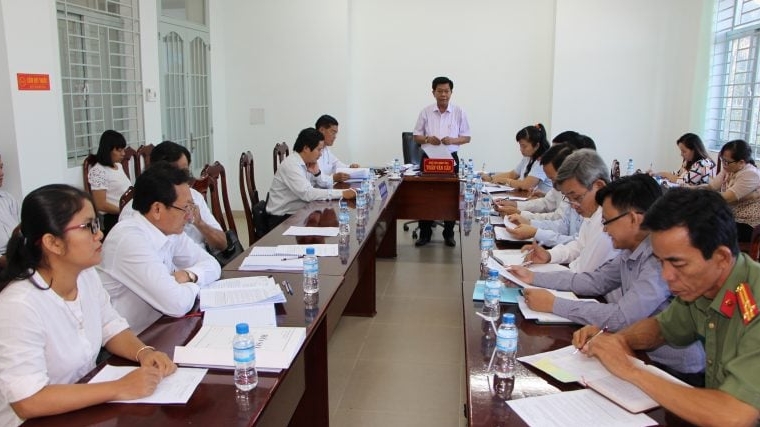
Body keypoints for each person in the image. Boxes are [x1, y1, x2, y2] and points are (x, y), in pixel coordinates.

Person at [575, 188, 760, 426]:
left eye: (678, 264)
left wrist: (631, 370)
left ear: (722, 258)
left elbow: (733, 415)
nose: (666, 276)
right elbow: (661, 328)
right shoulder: (701, 286)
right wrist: (616, 340)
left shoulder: (752, 301)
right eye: (661, 262)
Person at [0, 184, 176, 426]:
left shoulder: (85, 276)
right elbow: (28, 400)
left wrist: (145, 353)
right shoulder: (19, 306)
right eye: (88, 227)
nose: (100, 234)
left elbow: (110, 325)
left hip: (82, 408)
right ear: (53, 243)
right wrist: (119, 387)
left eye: (97, 224)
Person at [511, 175, 705, 384]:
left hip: (675, 371)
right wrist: (533, 277)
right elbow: (594, 281)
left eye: (607, 221)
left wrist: (553, 304)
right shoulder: (631, 251)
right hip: (638, 354)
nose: (604, 229)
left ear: (634, 219)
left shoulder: (659, 260)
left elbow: (621, 317)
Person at [99, 163, 221, 333]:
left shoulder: (169, 230)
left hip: (161, 326)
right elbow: (177, 304)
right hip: (132, 340)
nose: (189, 216)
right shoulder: (129, 239)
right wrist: (194, 284)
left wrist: (189, 275)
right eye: (185, 208)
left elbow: (213, 265)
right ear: (157, 209)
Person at [518, 149, 618, 273]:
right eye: (568, 199)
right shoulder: (593, 213)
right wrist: (549, 255)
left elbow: (582, 272)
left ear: (599, 186)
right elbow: (579, 245)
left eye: (577, 198)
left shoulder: (607, 222)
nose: (573, 206)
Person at [120, 140, 227, 251]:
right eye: (177, 173)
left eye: (185, 173)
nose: (183, 179)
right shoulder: (135, 212)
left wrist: (199, 223)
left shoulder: (194, 197)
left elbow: (222, 244)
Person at [412, 76, 471, 247]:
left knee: (451, 196)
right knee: (425, 195)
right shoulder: (425, 112)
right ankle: (425, 234)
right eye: (440, 91)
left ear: (451, 92)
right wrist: (428, 139)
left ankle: (449, 234)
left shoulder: (459, 112)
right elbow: (416, 136)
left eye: (446, 91)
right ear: (433, 93)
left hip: (450, 158)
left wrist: (452, 140)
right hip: (429, 158)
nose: (443, 94)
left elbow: (467, 137)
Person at [266, 128, 357, 230]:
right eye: (318, 149)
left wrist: (317, 174)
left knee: (330, 222)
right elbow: (308, 193)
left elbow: (323, 185)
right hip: (281, 219)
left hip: (299, 212)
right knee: (331, 225)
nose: (320, 154)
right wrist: (343, 193)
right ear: (306, 148)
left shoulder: (308, 162)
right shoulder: (291, 165)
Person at [503, 144, 584, 248]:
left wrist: (533, 229)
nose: (553, 184)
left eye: (553, 178)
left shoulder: (589, 201)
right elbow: (563, 225)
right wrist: (529, 222)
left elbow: (579, 244)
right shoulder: (568, 191)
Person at [704, 139, 760, 241]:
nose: (723, 164)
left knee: (705, 228)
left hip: (747, 224)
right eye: (722, 160)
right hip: (731, 216)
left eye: (726, 161)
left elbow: (726, 198)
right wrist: (690, 189)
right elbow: (711, 187)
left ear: (741, 162)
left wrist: (698, 196)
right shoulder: (729, 168)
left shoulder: (750, 174)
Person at [481, 124, 552, 194]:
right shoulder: (528, 157)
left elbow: (526, 185)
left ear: (536, 146)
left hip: (539, 199)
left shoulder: (542, 161)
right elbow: (512, 174)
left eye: (524, 146)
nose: (521, 149)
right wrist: (491, 178)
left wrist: (506, 181)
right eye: (520, 145)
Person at [87, 130, 132, 235]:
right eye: (119, 150)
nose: (123, 153)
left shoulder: (118, 166)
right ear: (108, 150)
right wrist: (123, 211)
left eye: (123, 150)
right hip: (114, 217)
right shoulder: (98, 171)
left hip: (127, 212)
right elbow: (100, 204)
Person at [314, 114, 359, 186]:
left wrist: (350, 167)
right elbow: (317, 180)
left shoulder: (326, 150)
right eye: (333, 132)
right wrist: (333, 178)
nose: (335, 137)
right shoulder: (311, 151)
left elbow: (337, 165)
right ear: (322, 130)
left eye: (335, 133)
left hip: (326, 190)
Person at [0, 155, 20, 269]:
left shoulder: (8, 199)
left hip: (16, 255)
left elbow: (18, 233)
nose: (1, 173)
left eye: (1, 167)